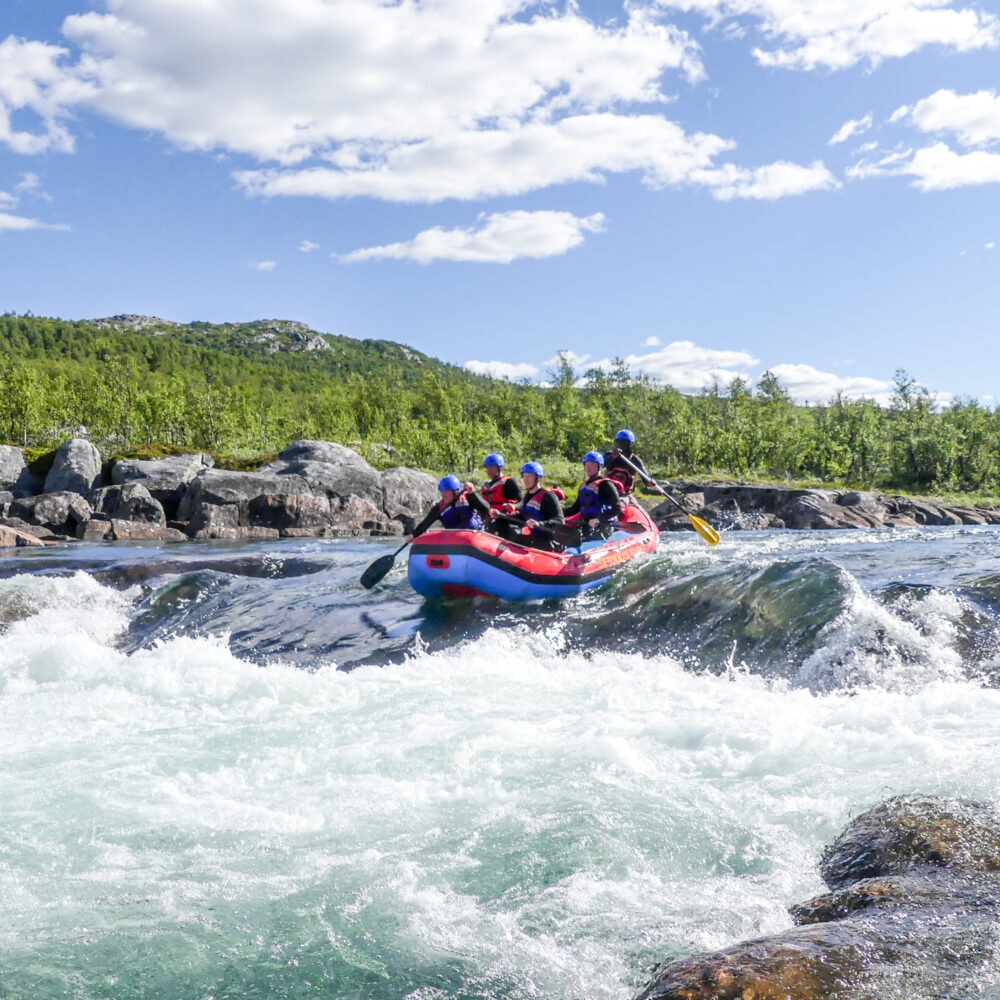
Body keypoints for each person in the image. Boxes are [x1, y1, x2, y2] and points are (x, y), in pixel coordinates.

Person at [491, 461, 565, 550]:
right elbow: (522, 517)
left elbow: (560, 520)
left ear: (538, 478)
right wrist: (500, 516)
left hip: (549, 540)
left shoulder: (548, 496)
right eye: (524, 476)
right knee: (513, 539)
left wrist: (540, 523)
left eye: (529, 476)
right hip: (535, 537)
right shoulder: (527, 496)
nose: (526, 479)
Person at [563, 451, 623, 542]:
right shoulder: (584, 486)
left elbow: (617, 509)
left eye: (592, 464)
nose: (588, 468)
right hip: (585, 525)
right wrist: (557, 513)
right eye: (586, 464)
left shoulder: (606, 485)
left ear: (600, 466)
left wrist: (598, 519)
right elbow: (574, 509)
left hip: (603, 527)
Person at [406, 475, 490, 540]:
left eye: (446, 491)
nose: (443, 494)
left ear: (455, 491)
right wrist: (413, 535)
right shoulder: (439, 508)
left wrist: (473, 493)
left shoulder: (468, 497)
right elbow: (425, 524)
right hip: (455, 540)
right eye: (442, 491)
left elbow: (486, 509)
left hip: (475, 536)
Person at [604, 429, 654, 495]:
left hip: (626, 494)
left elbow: (646, 478)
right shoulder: (609, 455)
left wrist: (650, 482)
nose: (621, 444)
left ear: (630, 444)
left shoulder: (635, 460)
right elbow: (600, 466)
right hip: (608, 492)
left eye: (625, 443)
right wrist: (612, 458)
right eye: (619, 442)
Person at [478, 452, 521, 527]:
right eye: (487, 467)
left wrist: (514, 506)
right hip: (488, 520)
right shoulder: (486, 485)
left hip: (504, 519)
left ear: (500, 467)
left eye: (491, 467)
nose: (489, 470)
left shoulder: (509, 483)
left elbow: (521, 502)